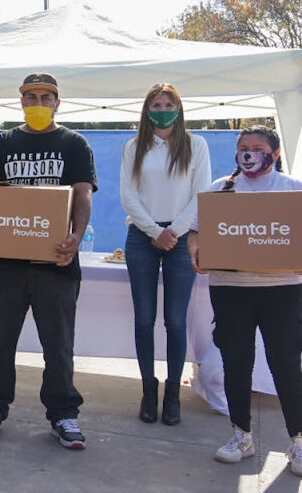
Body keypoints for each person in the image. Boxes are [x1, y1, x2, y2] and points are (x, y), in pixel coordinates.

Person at [0, 73, 97, 450]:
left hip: (56, 261)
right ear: (21, 102)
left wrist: (77, 234)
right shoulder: (5, 143)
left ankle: (63, 413)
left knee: (58, 344)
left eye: (45, 97)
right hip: (6, 263)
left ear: (57, 102)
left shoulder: (73, 143)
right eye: (31, 97)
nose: (38, 103)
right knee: (0, 341)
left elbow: (83, 194)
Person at [188, 126, 302, 477]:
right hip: (231, 288)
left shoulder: (294, 190)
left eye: (257, 148)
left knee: (286, 365)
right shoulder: (219, 190)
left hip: (283, 289)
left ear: (274, 154)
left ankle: (298, 442)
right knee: (236, 363)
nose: (249, 153)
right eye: (244, 147)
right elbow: (196, 232)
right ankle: (241, 436)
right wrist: (196, 252)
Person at [119, 83, 211, 425]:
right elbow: (128, 195)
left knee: (175, 320)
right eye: (156, 104)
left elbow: (201, 192)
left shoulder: (196, 145)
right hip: (143, 237)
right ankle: (148, 390)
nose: (162, 109)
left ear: (179, 107)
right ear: (146, 110)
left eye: (168, 103)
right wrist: (155, 232)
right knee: (144, 319)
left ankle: (173, 393)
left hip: (182, 237)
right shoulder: (134, 146)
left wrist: (175, 230)